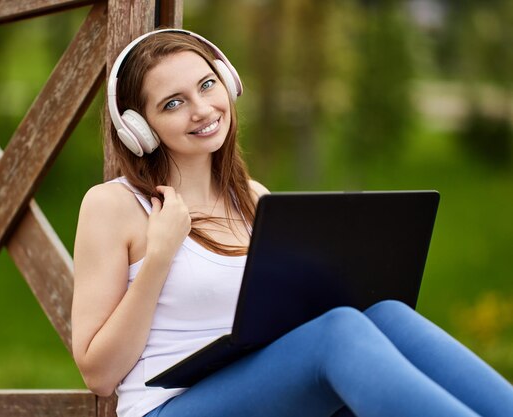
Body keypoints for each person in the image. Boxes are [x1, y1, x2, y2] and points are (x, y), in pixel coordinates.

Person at [71, 29, 513, 417]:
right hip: (168, 407)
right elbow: (100, 375)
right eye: (173, 103)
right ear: (139, 129)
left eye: (207, 85)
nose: (202, 109)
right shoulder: (114, 206)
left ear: (227, 83)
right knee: (338, 333)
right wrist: (159, 257)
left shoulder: (254, 198)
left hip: (264, 389)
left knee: (385, 313)